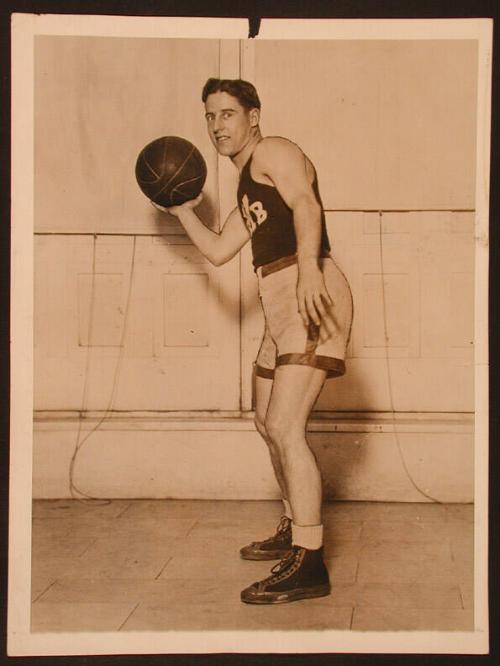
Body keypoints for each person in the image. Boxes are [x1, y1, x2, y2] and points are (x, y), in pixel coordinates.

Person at [153, 78, 353, 604]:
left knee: (287, 427)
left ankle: (310, 561)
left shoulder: (274, 151)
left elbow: (307, 206)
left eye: (227, 114)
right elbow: (220, 251)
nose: (217, 126)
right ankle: (295, 522)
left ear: (253, 116)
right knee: (266, 422)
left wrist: (310, 270)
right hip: (278, 301)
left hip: (310, 290)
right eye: (210, 116)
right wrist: (181, 211)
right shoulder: (247, 181)